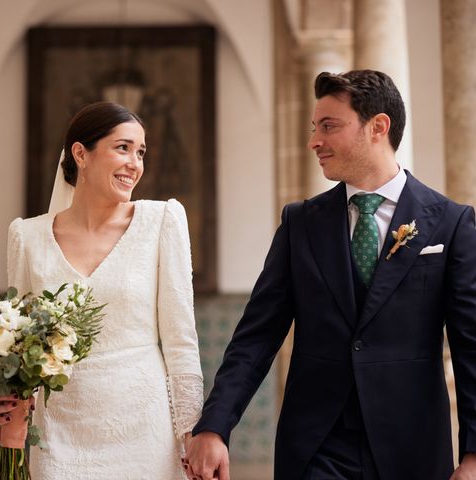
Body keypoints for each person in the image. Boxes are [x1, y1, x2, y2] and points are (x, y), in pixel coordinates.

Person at [185, 70, 476, 480]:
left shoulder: (450, 222)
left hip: (410, 447)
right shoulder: (300, 222)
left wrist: (474, 456)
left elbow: (471, 346)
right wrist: (214, 426)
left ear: (378, 127)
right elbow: (256, 336)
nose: (314, 141)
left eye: (329, 126)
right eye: (313, 128)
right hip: (316, 447)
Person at [0, 101, 204, 479]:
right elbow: (19, 342)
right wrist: (12, 410)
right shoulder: (26, 236)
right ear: (81, 154)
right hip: (60, 431)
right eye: (122, 148)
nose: (135, 163)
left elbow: (180, 339)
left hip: (144, 430)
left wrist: (193, 433)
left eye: (140, 152)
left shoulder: (162, 221)